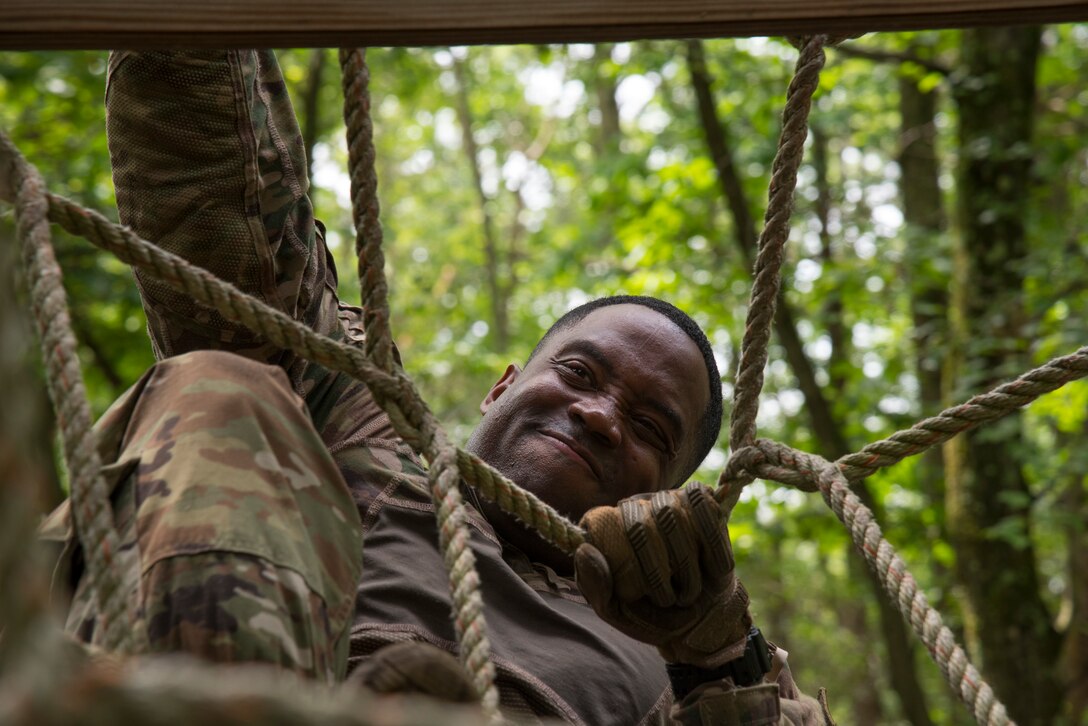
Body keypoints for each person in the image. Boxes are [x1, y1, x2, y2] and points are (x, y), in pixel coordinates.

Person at [40, 49, 827, 725]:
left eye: (651, 429)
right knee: (219, 386)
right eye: (580, 375)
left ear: (670, 495)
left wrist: (716, 653)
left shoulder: (681, 653)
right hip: (215, 688)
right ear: (502, 387)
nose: (598, 416)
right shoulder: (356, 423)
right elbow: (223, 207)